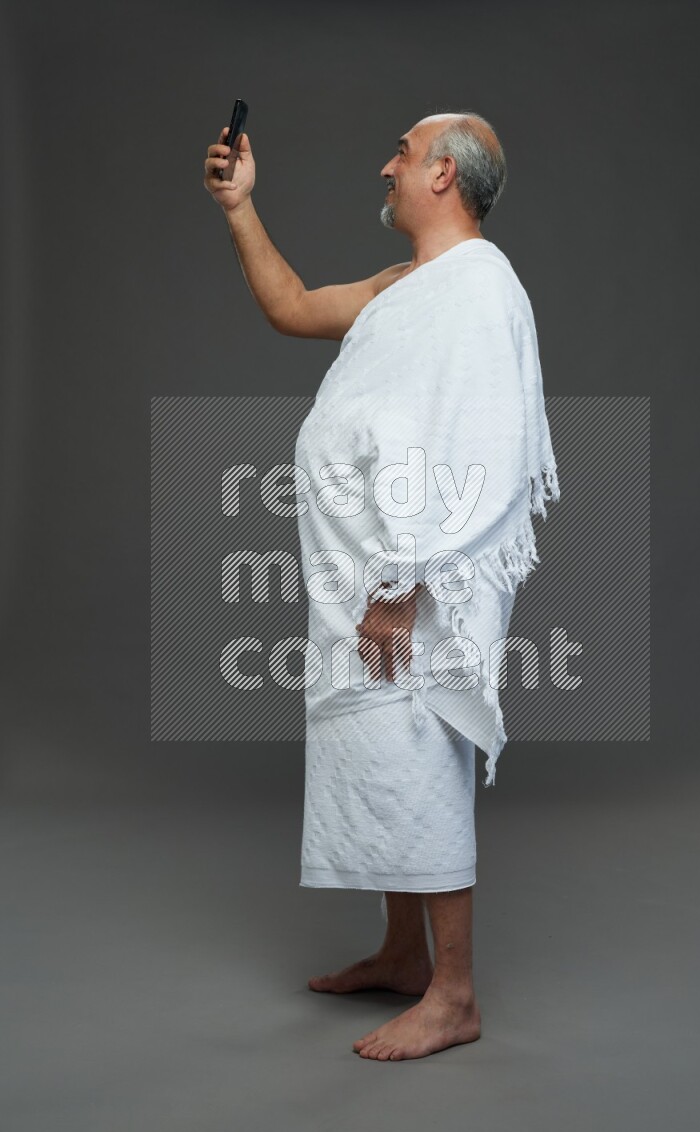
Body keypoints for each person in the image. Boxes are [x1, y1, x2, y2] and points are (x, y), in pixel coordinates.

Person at [204, 110, 559, 1061]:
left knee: (419, 756)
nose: (385, 167)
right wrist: (240, 208)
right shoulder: (404, 285)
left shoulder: (481, 288)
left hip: (413, 579)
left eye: (401, 153)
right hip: (359, 570)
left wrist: (404, 583)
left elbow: (481, 448)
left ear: (443, 173)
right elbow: (291, 306)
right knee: (378, 756)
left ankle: (455, 994)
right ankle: (405, 954)